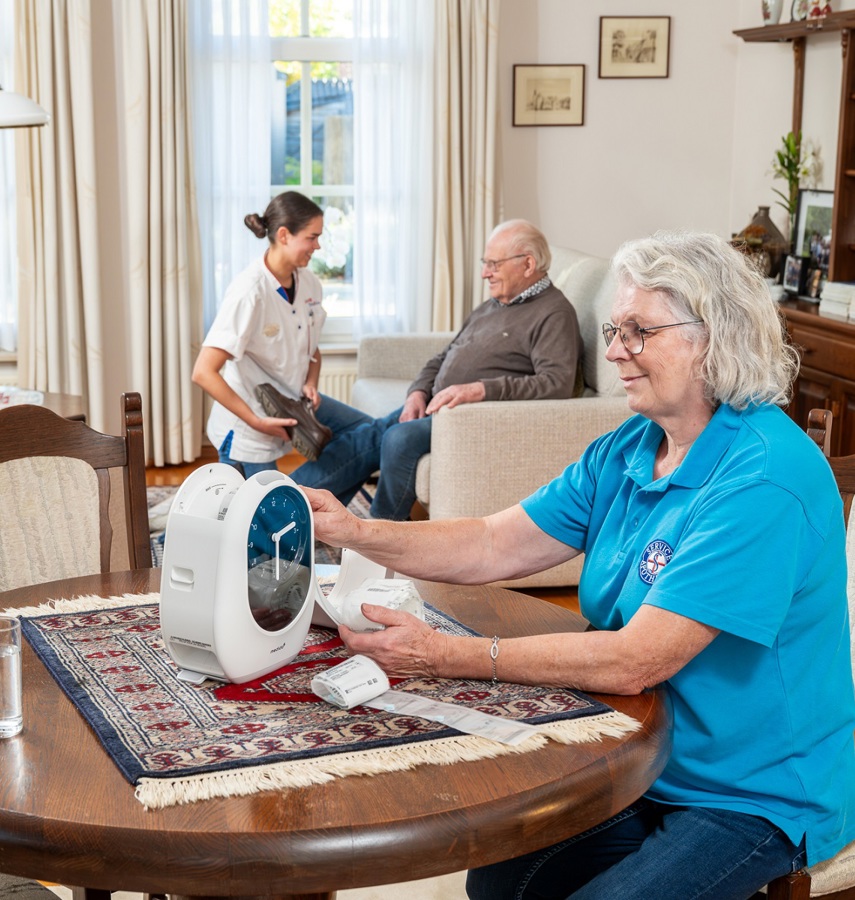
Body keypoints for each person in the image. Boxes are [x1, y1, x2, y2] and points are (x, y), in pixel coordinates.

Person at [304, 230, 855, 899]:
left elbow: (636, 660)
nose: (615, 349)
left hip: (750, 791)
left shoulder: (762, 479)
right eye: (613, 328)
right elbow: (489, 542)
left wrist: (443, 654)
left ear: (714, 336)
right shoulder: (630, 444)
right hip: (638, 753)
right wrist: (355, 530)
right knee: (498, 884)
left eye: (638, 331)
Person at [290, 218, 584, 519]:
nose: (485, 273)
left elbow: (556, 382)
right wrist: (417, 391)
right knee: (367, 438)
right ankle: (289, 504)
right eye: (485, 263)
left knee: (397, 439)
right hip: (436, 405)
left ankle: (381, 537)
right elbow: (444, 355)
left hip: (472, 417)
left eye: (493, 264)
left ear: (528, 264)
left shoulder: (554, 313)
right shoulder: (496, 305)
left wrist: (480, 390)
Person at [192, 191, 372, 478]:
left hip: (292, 405)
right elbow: (203, 372)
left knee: (369, 434)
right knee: (256, 519)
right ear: (285, 235)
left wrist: (311, 383)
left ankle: (320, 506)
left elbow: (312, 348)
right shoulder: (249, 292)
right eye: (312, 238)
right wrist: (255, 421)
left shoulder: (310, 284)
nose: (318, 246)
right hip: (247, 429)